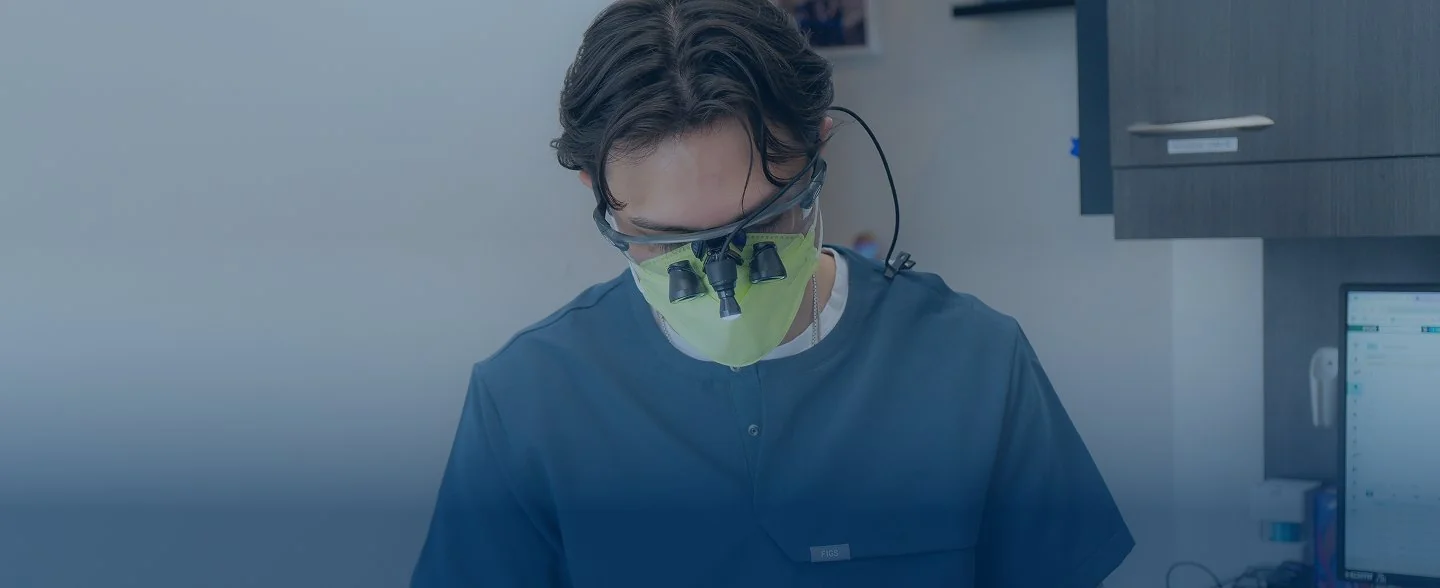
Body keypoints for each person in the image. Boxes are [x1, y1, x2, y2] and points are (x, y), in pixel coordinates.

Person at [411, 0, 1134, 586]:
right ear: (597, 195)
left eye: (758, 222)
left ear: (819, 154)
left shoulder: (974, 363)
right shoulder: (529, 402)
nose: (722, 281)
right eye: (670, 241)